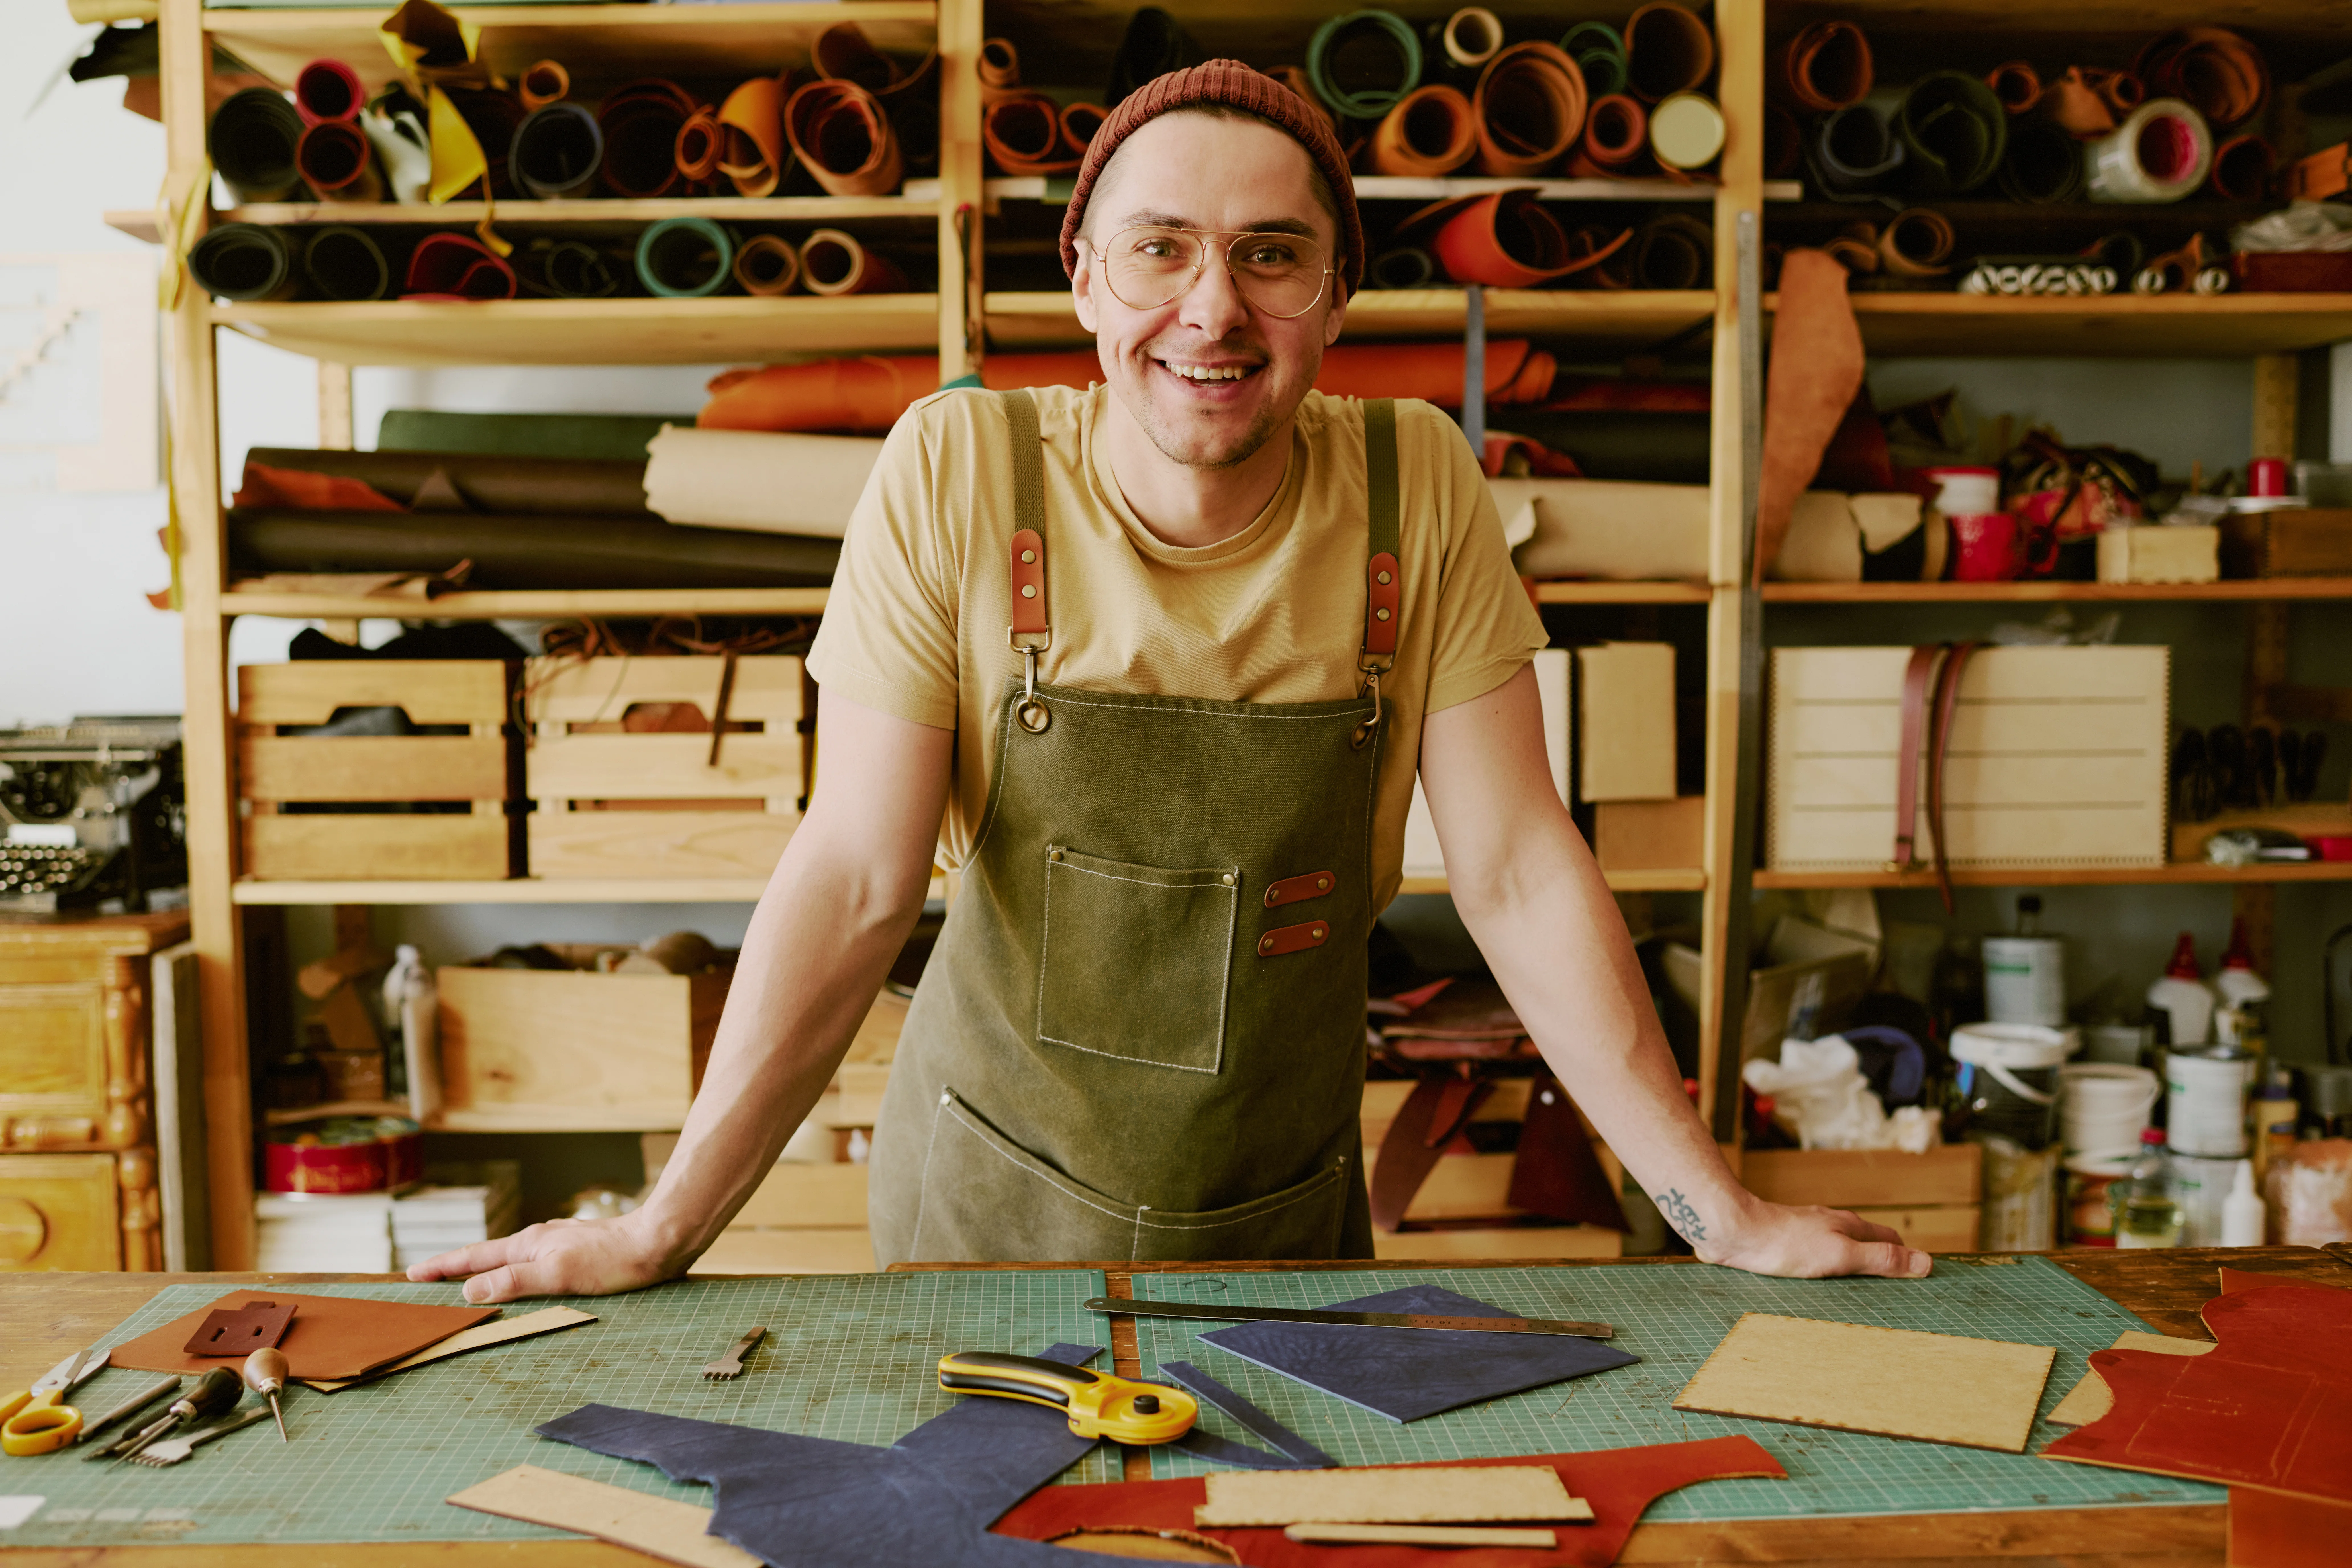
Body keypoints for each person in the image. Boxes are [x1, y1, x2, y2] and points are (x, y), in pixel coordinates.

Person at [413, 62, 1931, 1303]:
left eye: (1272, 256)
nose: (1213, 310)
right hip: (981, 1228)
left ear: (1336, 298)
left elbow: (1523, 873)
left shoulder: (1418, 487)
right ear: (1081, 279)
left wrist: (1715, 1210)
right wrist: (663, 1225)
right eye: (1161, 248)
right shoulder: (958, 471)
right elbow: (859, 875)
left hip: (1282, 1211)